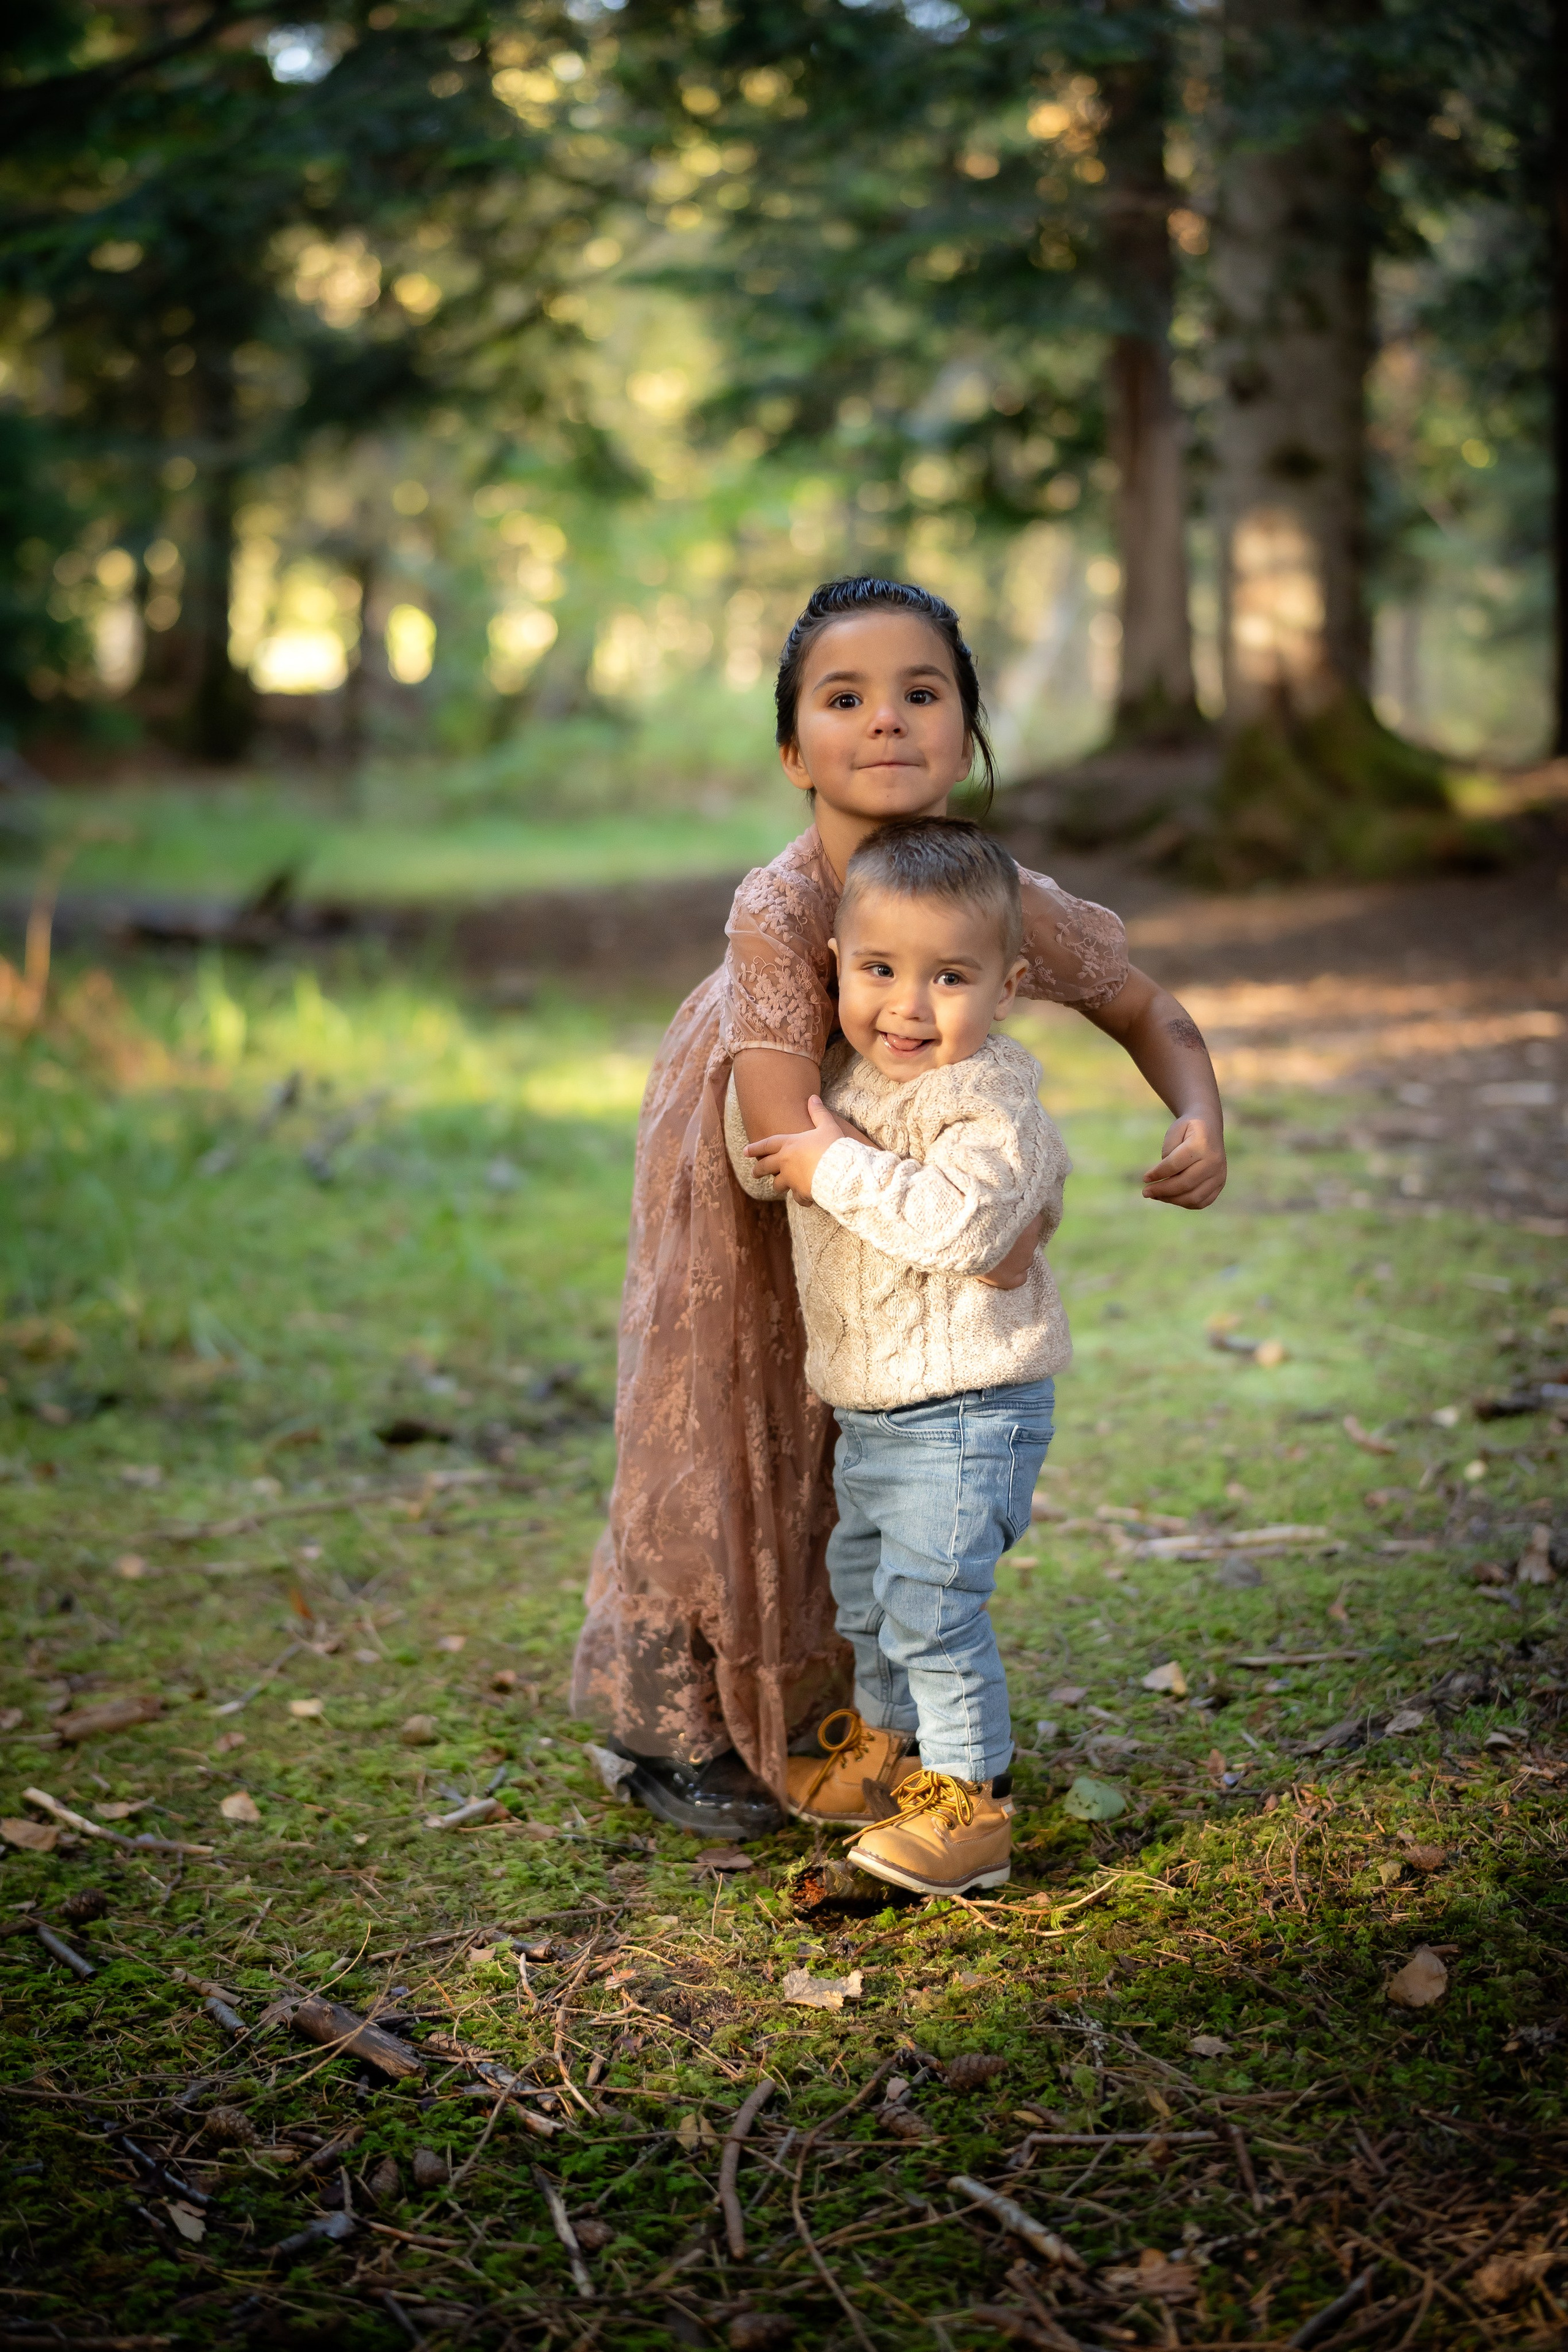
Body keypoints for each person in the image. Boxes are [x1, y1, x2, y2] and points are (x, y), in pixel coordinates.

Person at [570, 575, 1226, 1839]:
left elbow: (1142, 1004)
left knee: (874, 1420)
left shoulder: (993, 894)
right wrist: (978, 1219)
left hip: (903, 1177)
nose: (884, 718)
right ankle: (682, 1723)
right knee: (735, 1410)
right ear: (790, 750)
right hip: (756, 1162)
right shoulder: (778, 910)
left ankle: (879, 1717)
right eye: (844, 698)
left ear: (967, 734)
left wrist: (1194, 1112)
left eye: (920, 692)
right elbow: (784, 1131)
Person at [728, 818, 1069, 1893]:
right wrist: (782, 1125)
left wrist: (831, 1164)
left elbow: (969, 1227)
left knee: (933, 1609)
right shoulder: (845, 1077)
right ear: (836, 964)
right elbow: (763, 1163)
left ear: (1008, 988)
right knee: (869, 1598)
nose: (909, 1006)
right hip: (876, 1408)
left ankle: (973, 1805)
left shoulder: (991, 1098)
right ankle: (890, 1758)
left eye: (950, 977)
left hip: (969, 1406)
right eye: (878, 970)